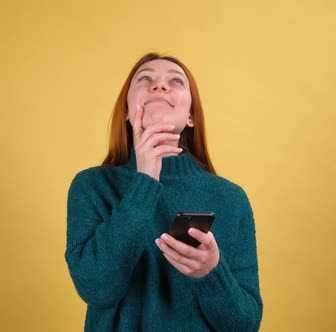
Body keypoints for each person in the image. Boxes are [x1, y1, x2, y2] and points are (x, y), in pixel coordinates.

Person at [65, 53, 263, 331]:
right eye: (146, 79)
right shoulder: (91, 186)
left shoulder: (231, 198)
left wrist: (211, 272)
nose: (159, 86)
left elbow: (245, 324)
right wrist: (145, 179)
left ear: (191, 116)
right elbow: (97, 288)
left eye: (175, 81)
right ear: (126, 111)